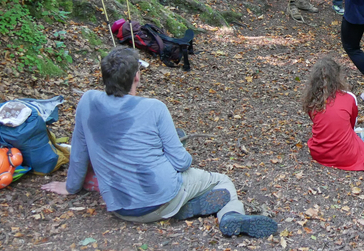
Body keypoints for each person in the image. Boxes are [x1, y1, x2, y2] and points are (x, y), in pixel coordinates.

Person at [40, 48, 277, 238]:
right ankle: (230, 215)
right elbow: (182, 162)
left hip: (121, 209)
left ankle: (181, 207)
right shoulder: (154, 107)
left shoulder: (87, 101)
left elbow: (79, 152)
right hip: (162, 196)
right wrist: (175, 152)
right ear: (136, 77)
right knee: (222, 181)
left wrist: (70, 187)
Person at [302, 57, 364, 171]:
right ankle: (363, 135)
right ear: (338, 77)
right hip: (347, 155)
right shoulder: (348, 97)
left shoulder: (313, 100)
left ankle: (362, 135)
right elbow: (351, 125)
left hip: (319, 154)